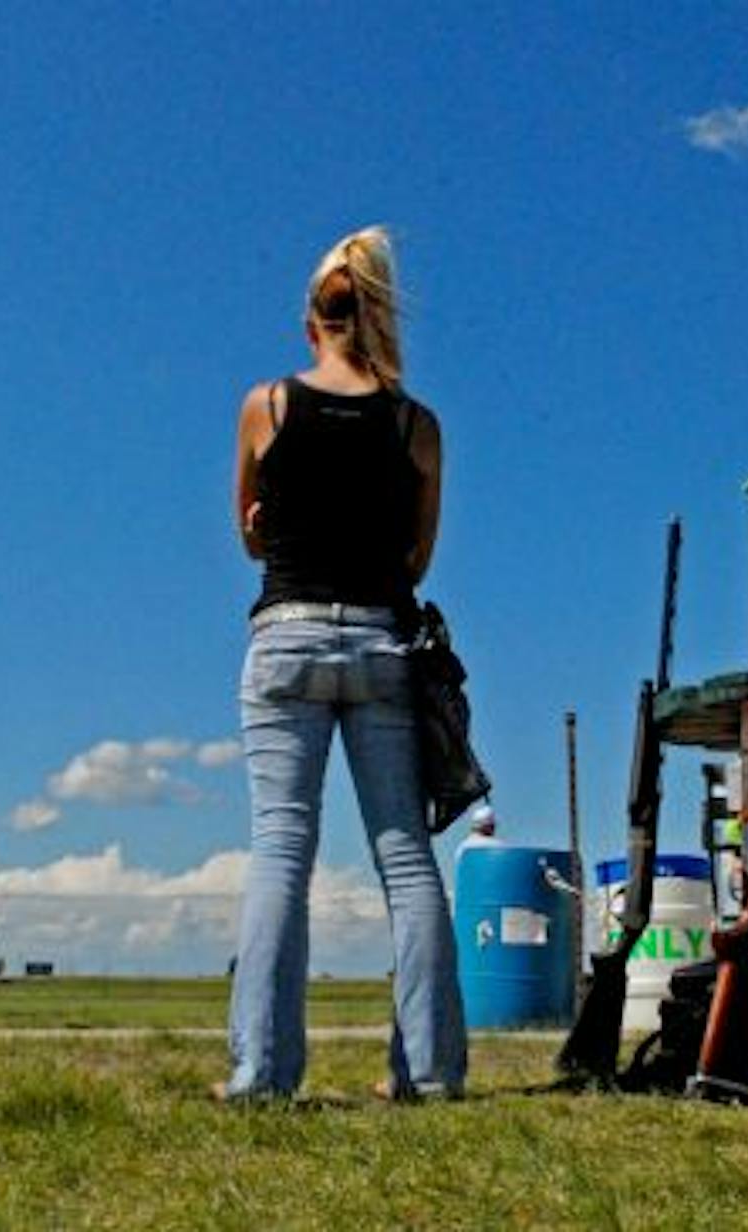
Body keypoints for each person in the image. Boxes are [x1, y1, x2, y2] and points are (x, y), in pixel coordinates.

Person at [224, 225, 466, 1102]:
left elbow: (249, 535)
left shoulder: (267, 406)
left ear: (310, 324)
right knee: (406, 858)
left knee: (281, 852)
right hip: (382, 642)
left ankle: (261, 1076)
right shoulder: (416, 424)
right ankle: (432, 1075)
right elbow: (417, 561)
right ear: (377, 317)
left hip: (285, 633)